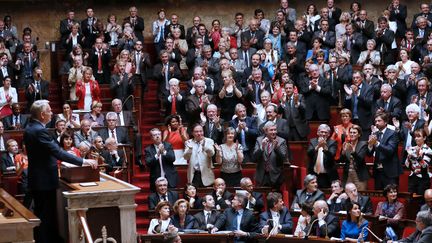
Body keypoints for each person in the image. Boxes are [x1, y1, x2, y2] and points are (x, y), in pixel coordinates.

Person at [24, 100, 97, 243]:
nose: (52, 113)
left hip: (39, 179)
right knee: (46, 217)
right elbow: (58, 152)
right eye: (49, 111)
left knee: (43, 215)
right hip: (44, 182)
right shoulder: (39, 130)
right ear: (42, 114)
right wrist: (83, 161)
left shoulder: (30, 127)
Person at [367, 112, 402, 190]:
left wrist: (376, 143)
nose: (376, 123)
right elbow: (369, 154)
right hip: (378, 171)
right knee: (378, 195)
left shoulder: (393, 133)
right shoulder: (375, 134)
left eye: (379, 121)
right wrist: (370, 145)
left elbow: (390, 150)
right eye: (375, 121)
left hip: (390, 171)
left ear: (385, 122)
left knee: (391, 195)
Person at [253, 121, 289, 189]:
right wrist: (262, 147)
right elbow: (254, 157)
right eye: (271, 130)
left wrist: (276, 148)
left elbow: (284, 157)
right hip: (262, 176)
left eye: (275, 130)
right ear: (266, 131)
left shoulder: (281, 141)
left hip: (276, 176)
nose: (273, 132)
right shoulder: (259, 140)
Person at [145, 128, 178, 192]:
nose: (157, 136)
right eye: (154, 135)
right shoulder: (148, 149)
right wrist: (157, 154)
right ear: (151, 138)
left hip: (170, 177)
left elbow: (172, 158)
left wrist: (164, 152)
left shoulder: (168, 145)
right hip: (156, 178)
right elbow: (148, 163)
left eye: (158, 134)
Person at [307, 124, 338, 188]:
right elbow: (309, 153)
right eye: (321, 132)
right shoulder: (312, 141)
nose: (323, 134)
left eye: (326, 132)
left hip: (327, 176)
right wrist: (318, 146)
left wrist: (324, 147)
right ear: (318, 132)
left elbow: (332, 155)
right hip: (314, 175)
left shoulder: (332, 142)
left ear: (329, 134)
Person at [339, 125, 369, 190]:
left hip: (359, 174)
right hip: (348, 174)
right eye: (351, 132)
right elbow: (341, 160)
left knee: (360, 195)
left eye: (354, 133)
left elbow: (360, 159)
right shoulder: (346, 144)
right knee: (347, 195)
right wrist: (343, 152)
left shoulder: (363, 144)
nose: (352, 134)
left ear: (359, 134)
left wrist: (352, 151)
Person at [404, 129, 432, 195]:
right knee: (410, 200)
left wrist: (418, 157)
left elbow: (424, 166)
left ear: (424, 138)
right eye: (415, 137)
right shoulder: (411, 149)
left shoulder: (428, 150)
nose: (416, 138)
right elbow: (407, 165)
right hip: (412, 178)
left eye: (418, 136)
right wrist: (408, 157)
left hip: (423, 179)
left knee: (421, 200)